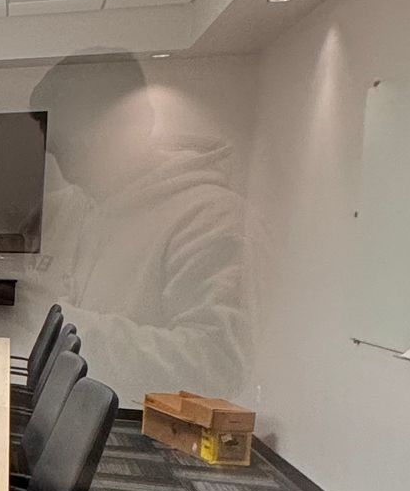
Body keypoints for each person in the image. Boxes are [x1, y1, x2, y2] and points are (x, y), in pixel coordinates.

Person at [24, 53, 250, 404]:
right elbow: (30, 294)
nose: (62, 161)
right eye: (56, 145)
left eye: (74, 142)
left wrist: (50, 321)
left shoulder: (210, 216)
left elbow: (216, 367)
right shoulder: (69, 206)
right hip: (57, 416)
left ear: (136, 122)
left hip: (144, 435)